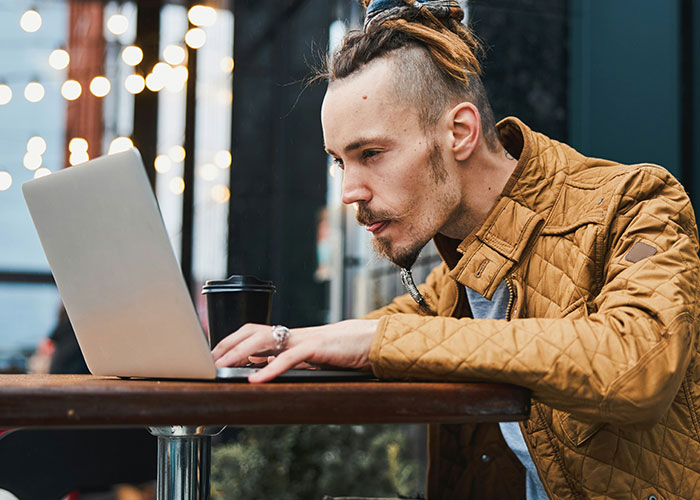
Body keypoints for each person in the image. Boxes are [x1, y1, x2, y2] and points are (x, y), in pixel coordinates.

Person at [212, 0, 700, 498]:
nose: (350, 192)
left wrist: (372, 343)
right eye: (341, 162)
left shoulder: (636, 201)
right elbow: (378, 334)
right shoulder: (457, 277)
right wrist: (286, 341)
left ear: (460, 132)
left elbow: (637, 363)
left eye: (372, 154)